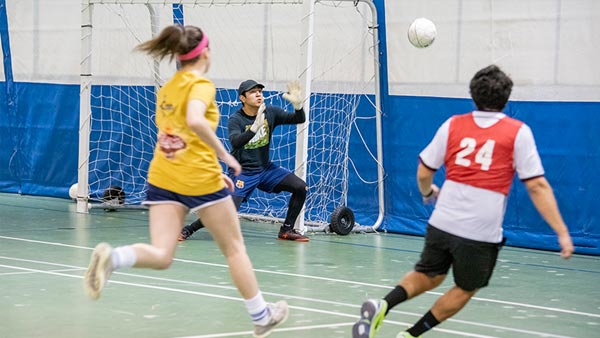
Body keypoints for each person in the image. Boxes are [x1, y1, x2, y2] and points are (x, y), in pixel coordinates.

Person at [83, 24, 288, 338]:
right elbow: (193, 120)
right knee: (234, 249)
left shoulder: (168, 87)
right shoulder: (201, 84)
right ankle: (261, 316)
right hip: (198, 179)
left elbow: (178, 134)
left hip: (164, 175)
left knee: (163, 254)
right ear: (204, 53)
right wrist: (226, 157)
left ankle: (113, 258)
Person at [352, 65, 574, 338]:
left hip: (442, 220)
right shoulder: (518, 132)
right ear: (506, 98)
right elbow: (537, 185)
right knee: (467, 287)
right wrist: (562, 232)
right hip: (479, 230)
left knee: (429, 274)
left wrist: (426, 192)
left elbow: (424, 171)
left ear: (473, 94)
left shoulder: (453, 124)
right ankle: (410, 335)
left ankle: (383, 304)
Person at [178, 79, 309, 242]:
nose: (258, 94)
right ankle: (188, 229)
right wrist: (254, 128)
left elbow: (299, 119)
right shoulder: (236, 119)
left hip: (266, 169)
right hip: (243, 172)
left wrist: (298, 106)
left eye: (260, 91)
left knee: (300, 187)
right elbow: (236, 142)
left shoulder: (270, 112)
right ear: (243, 98)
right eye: (253, 92)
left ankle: (286, 230)